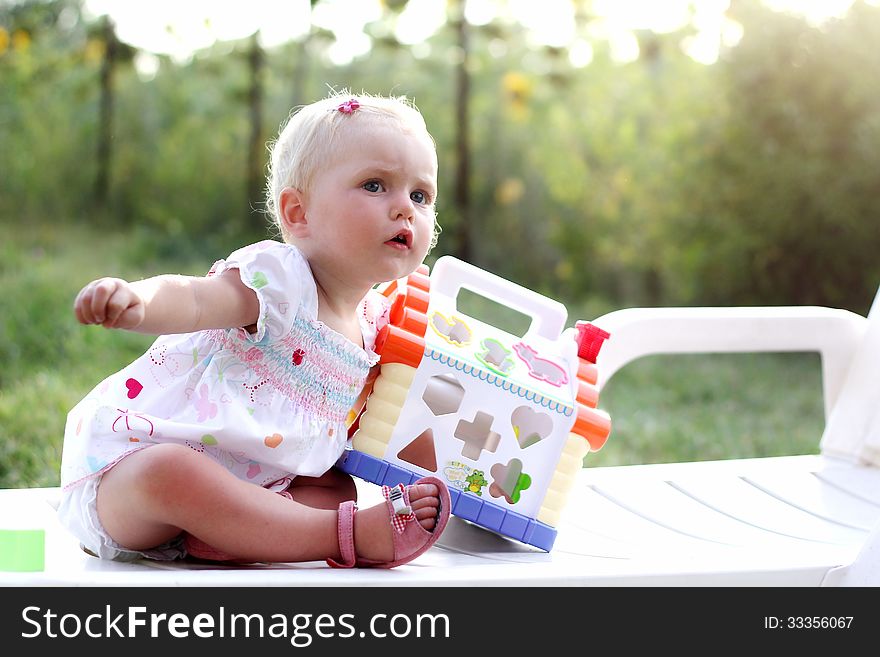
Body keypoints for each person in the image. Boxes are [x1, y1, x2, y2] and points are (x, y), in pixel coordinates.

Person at [57, 91, 451, 568]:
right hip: (137, 485)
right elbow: (195, 298)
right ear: (298, 214)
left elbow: (398, 422)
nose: (404, 208)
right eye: (374, 185)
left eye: (420, 195)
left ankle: (233, 536)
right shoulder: (280, 280)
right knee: (172, 472)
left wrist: (454, 479)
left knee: (333, 485)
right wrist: (139, 301)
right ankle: (344, 537)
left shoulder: (378, 321)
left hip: (261, 486)